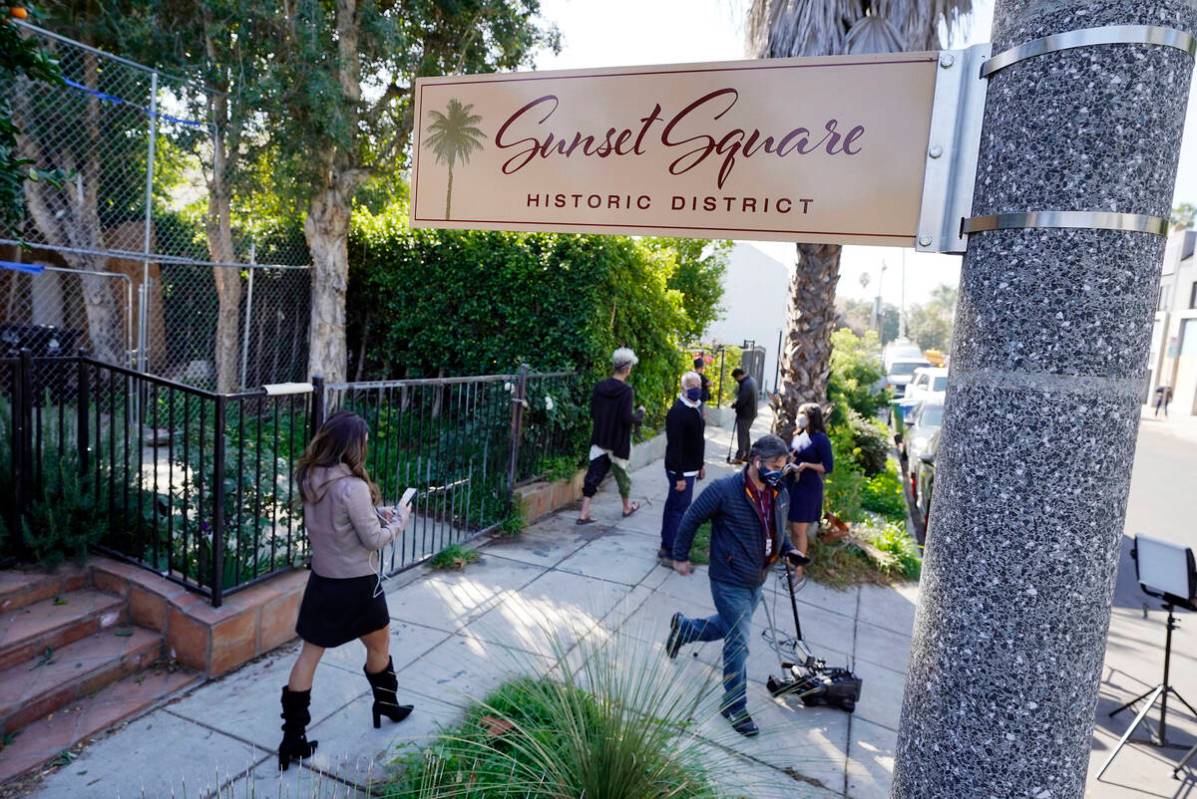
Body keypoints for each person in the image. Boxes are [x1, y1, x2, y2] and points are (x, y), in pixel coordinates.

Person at [279, 411, 413, 771]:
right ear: (353, 444)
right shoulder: (351, 486)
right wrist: (399, 520)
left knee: (309, 656)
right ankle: (386, 703)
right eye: (364, 441)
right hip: (358, 586)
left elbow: (340, 521)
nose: (366, 447)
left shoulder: (310, 477)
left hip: (323, 582)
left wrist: (375, 512)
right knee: (380, 645)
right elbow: (374, 538)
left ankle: (292, 739)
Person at [666, 435, 808, 737]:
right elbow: (691, 517)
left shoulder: (778, 491)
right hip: (728, 578)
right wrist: (679, 556)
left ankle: (684, 629)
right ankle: (733, 704)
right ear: (756, 461)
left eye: (783, 466)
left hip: (757, 578)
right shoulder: (725, 490)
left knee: (729, 627)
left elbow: (777, 528)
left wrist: (788, 550)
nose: (779, 471)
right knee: (739, 642)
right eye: (774, 465)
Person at [578, 347, 646, 525]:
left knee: (593, 474)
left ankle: (583, 514)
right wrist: (639, 415)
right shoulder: (626, 391)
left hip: (600, 437)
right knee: (622, 474)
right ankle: (626, 507)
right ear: (627, 368)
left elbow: (593, 412)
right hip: (618, 441)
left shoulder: (600, 387)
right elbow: (626, 417)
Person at [659, 371, 706, 566]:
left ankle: (666, 546)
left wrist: (700, 465)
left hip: (690, 469)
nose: (696, 390)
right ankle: (671, 553)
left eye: (698, 386)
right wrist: (679, 476)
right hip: (681, 471)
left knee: (673, 508)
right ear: (683, 389)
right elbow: (675, 446)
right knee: (678, 511)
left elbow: (697, 441)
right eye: (692, 387)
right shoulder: (678, 412)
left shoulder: (694, 407)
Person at [787, 403, 833, 581]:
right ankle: (792, 562)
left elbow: (827, 466)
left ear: (812, 418)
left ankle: (799, 571)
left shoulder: (821, 439)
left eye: (803, 414)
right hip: (794, 485)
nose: (799, 417)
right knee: (793, 527)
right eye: (799, 413)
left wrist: (806, 466)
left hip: (808, 489)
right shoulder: (799, 434)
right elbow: (795, 454)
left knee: (799, 531)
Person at [730, 367, 758, 463]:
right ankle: (747, 455)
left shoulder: (746, 384)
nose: (737, 381)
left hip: (745, 414)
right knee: (745, 434)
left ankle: (739, 457)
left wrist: (735, 405)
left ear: (739, 376)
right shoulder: (751, 380)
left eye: (736, 379)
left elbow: (742, 400)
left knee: (742, 435)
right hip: (751, 413)